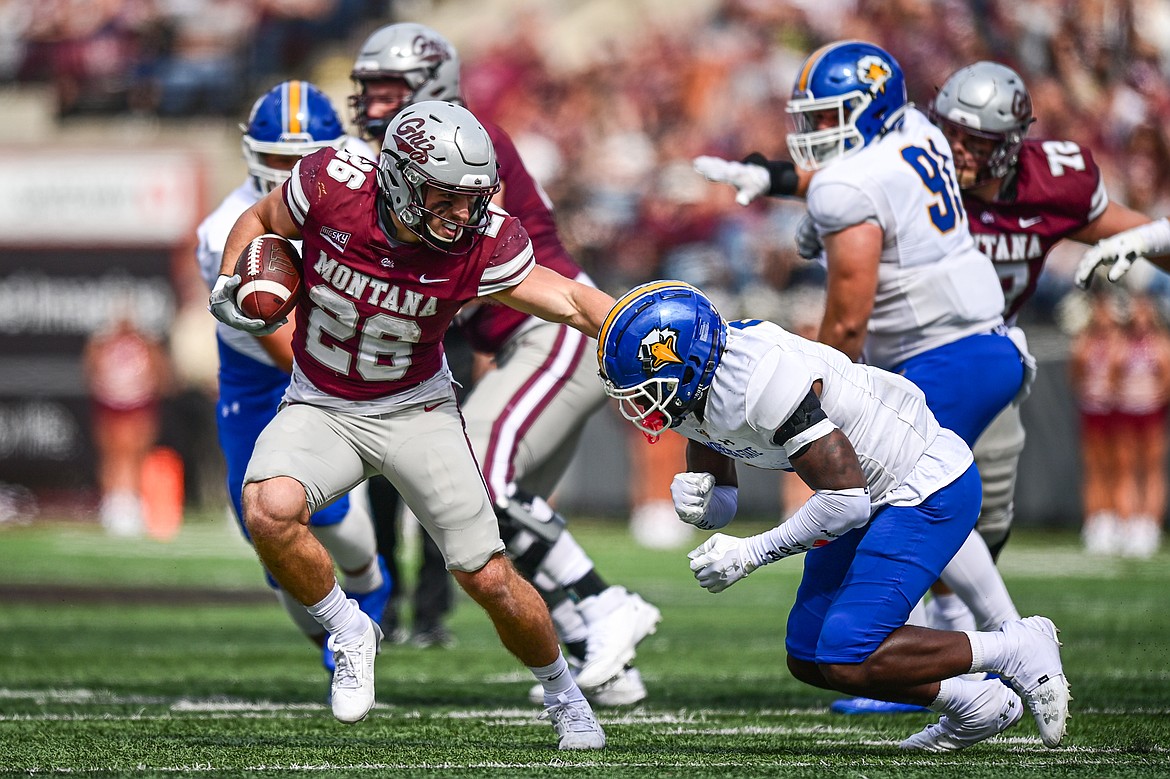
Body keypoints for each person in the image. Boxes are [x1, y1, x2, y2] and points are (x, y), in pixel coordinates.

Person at [208, 99, 613, 749]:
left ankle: (566, 695)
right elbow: (260, 218)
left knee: (487, 575)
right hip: (322, 402)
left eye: (471, 198)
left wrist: (626, 322)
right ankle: (348, 627)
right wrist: (234, 278)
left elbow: (564, 295)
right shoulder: (329, 185)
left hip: (415, 410)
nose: (462, 214)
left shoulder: (484, 239)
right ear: (396, 178)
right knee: (267, 508)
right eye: (443, 197)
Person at [596, 280, 1069, 751]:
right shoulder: (693, 392)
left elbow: (846, 501)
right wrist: (702, 505)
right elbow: (725, 496)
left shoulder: (760, 379)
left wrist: (749, 555)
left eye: (644, 386)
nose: (638, 403)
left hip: (920, 485)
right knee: (808, 654)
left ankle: (1015, 647)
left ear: (686, 361)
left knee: (846, 651)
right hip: (860, 495)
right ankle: (975, 705)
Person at [693, 42, 1026, 697]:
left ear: (870, 108)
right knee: (913, 495)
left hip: (941, 354)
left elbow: (844, 325)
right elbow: (872, 174)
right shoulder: (919, 129)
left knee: (904, 494)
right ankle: (983, 651)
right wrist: (780, 179)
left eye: (830, 118)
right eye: (811, 120)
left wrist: (816, 406)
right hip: (984, 344)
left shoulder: (848, 185)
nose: (816, 135)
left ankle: (998, 647)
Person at [348, 22, 660, 700]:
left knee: (472, 486)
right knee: (487, 523)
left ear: (428, 87)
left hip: (551, 330)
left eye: (387, 89)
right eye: (367, 89)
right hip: (519, 339)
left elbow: (443, 263)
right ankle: (602, 658)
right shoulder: (403, 156)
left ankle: (605, 604)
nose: (372, 103)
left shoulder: (461, 144)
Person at [195, 80, 392, 673]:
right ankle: (339, 648)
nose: (289, 176)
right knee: (276, 541)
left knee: (353, 542)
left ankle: (375, 602)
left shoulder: (368, 194)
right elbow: (284, 346)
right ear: (253, 155)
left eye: (301, 161)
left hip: (341, 363)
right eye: (278, 161)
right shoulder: (224, 230)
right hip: (264, 387)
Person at [84, 312, 170, 537]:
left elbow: (161, 374)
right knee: (113, 455)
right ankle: (114, 504)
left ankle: (134, 503)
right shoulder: (102, 344)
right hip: (110, 404)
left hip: (139, 404)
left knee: (137, 455)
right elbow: (91, 371)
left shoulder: (146, 345)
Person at [1112, 294, 1170, 557]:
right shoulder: (1121, 344)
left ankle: (1149, 523)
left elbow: (1166, 378)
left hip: (1151, 413)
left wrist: (1155, 396)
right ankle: (1128, 522)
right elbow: (1112, 374)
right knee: (1125, 467)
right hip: (1127, 412)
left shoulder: (1160, 344)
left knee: (1151, 468)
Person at [1068, 292, 1125, 555]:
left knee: (1119, 466)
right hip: (1093, 410)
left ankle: (1119, 517)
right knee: (1094, 467)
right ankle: (1097, 519)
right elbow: (1076, 374)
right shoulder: (1085, 343)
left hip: (1118, 411)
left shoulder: (1120, 342)